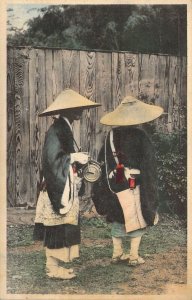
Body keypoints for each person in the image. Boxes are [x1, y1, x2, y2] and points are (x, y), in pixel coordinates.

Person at [33, 88, 100, 279]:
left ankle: (56, 266)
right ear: (67, 110)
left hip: (64, 184)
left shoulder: (65, 127)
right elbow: (51, 159)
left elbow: (62, 156)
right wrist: (72, 157)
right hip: (57, 187)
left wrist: (76, 158)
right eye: (76, 108)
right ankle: (52, 268)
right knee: (56, 227)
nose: (80, 111)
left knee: (62, 227)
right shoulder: (57, 129)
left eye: (80, 108)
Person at [92, 95, 163, 266]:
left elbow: (104, 160)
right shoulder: (141, 136)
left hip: (115, 184)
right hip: (134, 183)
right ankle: (133, 256)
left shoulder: (110, 136)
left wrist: (115, 175)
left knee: (118, 216)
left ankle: (117, 253)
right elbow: (149, 163)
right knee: (135, 216)